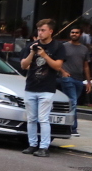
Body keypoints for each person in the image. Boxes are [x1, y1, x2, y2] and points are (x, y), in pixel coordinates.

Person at [20, 19, 66, 157]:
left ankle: (44, 147)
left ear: (50, 31)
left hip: (46, 87)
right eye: (39, 30)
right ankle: (32, 144)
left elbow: (58, 66)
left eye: (43, 30)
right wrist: (32, 53)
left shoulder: (58, 47)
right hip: (31, 86)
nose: (40, 33)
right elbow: (23, 65)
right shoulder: (31, 45)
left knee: (43, 118)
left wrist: (44, 55)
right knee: (31, 118)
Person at [59, 26, 92, 137]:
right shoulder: (64, 46)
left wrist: (88, 81)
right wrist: (63, 72)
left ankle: (64, 125)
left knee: (72, 103)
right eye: (72, 32)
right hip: (67, 78)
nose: (74, 34)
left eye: (76, 33)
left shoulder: (84, 49)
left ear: (80, 35)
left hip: (79, 79)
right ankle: (72, 128)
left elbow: (86, 66)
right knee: (73, 102)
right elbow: (57, 62)